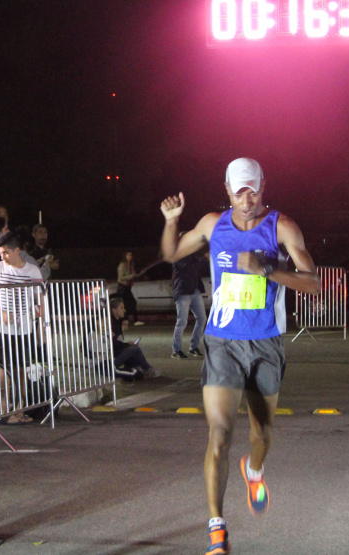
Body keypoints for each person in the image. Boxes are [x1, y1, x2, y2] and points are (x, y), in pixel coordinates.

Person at [160, 157, 320, 555]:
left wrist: (267, 271)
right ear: (227, 191)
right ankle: (217, 529)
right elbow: (172, 254)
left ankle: (256, 469)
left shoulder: (282, 226)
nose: (246, 199)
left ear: (263, 186)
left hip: (265, 343)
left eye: (253, 190)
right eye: (238, 191)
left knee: (262, 434)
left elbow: (313, 283)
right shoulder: (214, 223)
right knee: (220, 434)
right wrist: (170, 221)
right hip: (221, 343)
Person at [0, 231, 44, 425]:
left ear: (17, 250)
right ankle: (2, 409)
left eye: (6, 253)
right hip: (1, 328)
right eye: (0, 253)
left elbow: (39, 299)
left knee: (20, 368)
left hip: (24, 328)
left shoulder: (32, 271)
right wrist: (0, 313)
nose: (3, 257)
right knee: (1, 368)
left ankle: (20, 407)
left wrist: (38, 311)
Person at [108, 295, 158, 380]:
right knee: (134, 349)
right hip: (110, 359)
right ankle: (148, 369)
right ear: (114, 310)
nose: (124, 310)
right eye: (121, 308)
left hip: (115, 354)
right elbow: (113, 345)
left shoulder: (117, 322)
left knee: (132, 349)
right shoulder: (111, 325)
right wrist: (127, 345)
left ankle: (137, 368)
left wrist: (126, 345)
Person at [171, 247, 207, 359]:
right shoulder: (178, 255)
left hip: (195, 291)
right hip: (183, 293)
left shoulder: (193, 255)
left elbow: (202, 266)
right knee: (182, 322)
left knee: (202, 319)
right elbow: (189, 266)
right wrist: (199, 257)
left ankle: (193, 347)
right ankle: (176, 350)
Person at [116, 252, 143, 325]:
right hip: (123, 287)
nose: (130, 256)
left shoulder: (130, 265)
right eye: (128, 255)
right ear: (124, 256)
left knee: (127, 304)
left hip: (127, 287)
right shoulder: (122, 265)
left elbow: (131, 275)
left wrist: (136, 275)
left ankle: (126, 319)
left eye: (131, 255)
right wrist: (131, 276)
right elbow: (121, 277)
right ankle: (134, 320)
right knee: (131, 303)